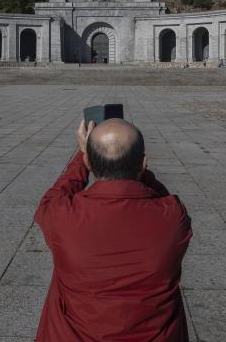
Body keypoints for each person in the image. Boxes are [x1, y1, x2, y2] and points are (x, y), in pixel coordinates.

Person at [34, 116, 193, 341]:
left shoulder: (62, 216)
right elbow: (161, 195)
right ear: (143, 163)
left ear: (89, 162)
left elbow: (51, 199)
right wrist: (132, 167)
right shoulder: (172, 216)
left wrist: (82, 157)